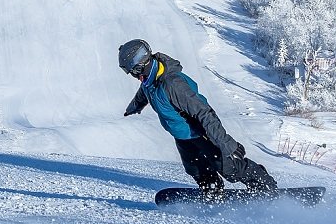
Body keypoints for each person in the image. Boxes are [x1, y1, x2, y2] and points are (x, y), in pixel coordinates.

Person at [119, 39, 277, 194]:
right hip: (182, 136)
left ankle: (264, 184)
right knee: (195, 169)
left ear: (145, 62)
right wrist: (133, 107)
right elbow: (142, 95)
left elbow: (204, 113)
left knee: (228, 168)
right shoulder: (149, 82)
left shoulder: (173, 84)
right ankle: (212, 190)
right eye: (132, 73)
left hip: (201, 132)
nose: (136, 76)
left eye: (136, 71)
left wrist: (227, 145)